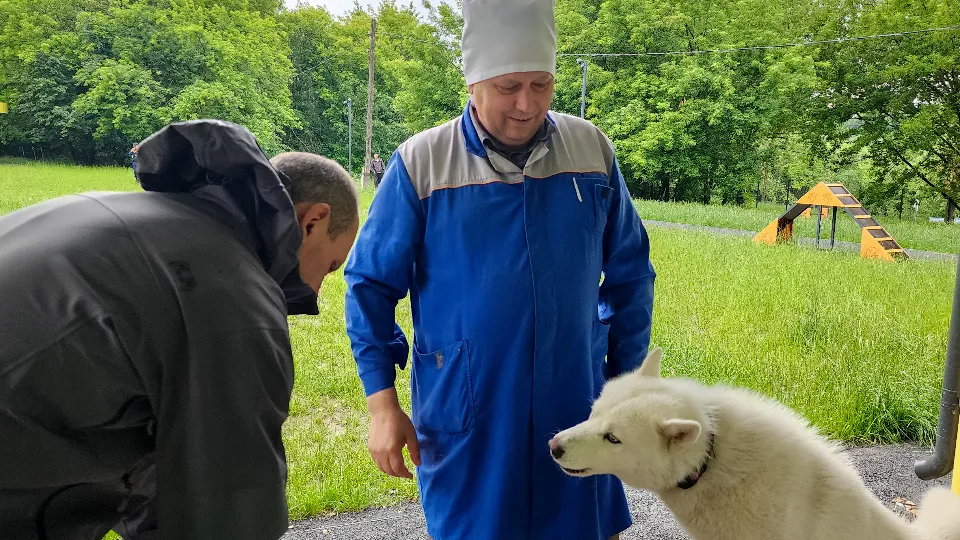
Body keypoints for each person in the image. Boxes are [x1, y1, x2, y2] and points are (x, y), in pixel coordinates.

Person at [342, 0, 656, 538]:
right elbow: (369, 286)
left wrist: (625, 390)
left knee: (581, 526)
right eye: (508, 87)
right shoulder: (424, 164)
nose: (526, 104)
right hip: (469, 411)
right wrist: (381, 405)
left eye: (541, 85)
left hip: (576, 403)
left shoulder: (590, 152)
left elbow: (631, 276)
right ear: (472, 82)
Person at [0, 119, 360, 540]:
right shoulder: (229, 291)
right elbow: (232, 509)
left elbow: (155, 466)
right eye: (330, 266)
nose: (316, 290)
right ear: (313, 222)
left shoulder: (147, 222)